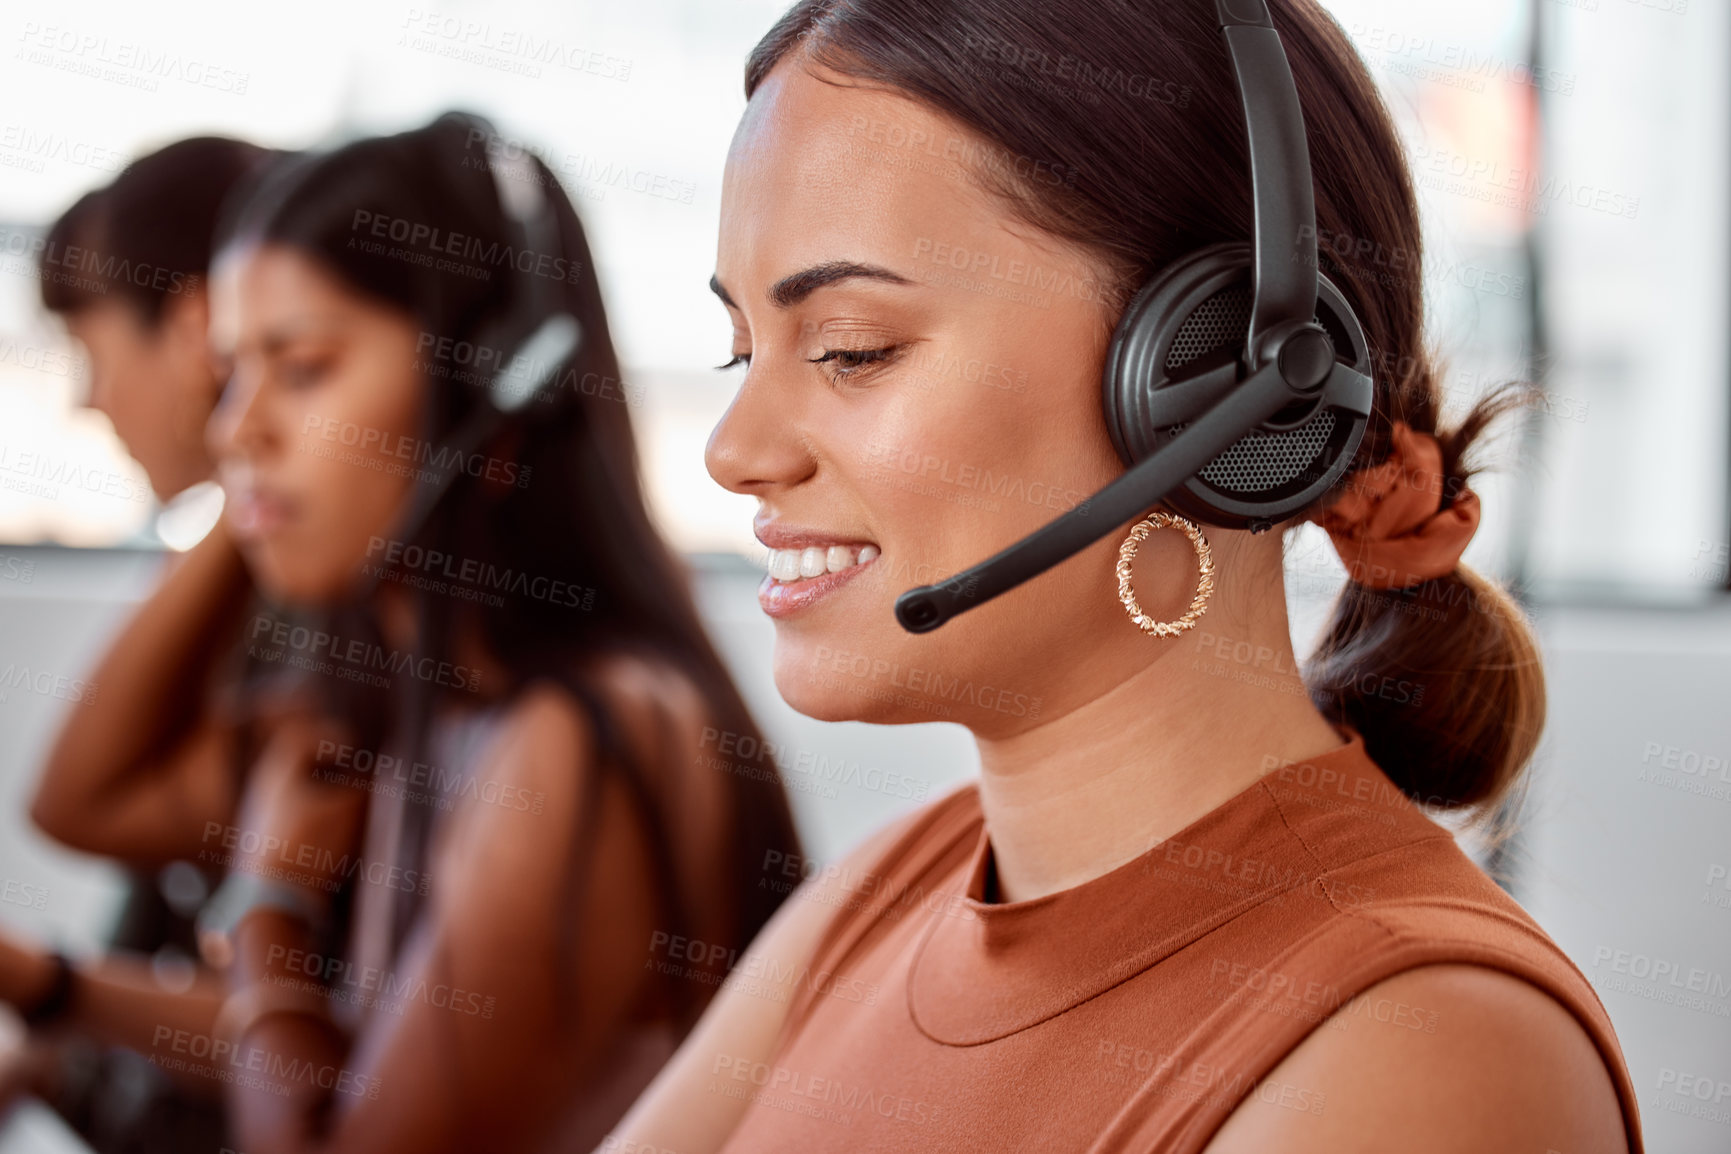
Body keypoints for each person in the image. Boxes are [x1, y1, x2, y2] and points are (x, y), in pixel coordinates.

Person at [606, 2, 1641, 1151]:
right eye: (742, 350)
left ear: (1224, 383)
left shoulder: (1433, 1052)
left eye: (852, 347)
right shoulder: (886, 891)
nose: (735, 451)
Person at [1, 111, 801, 1154]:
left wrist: (267, 908)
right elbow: (353, 1050)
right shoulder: (410, 702)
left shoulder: (577, 735)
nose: (233, 428)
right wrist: (39, 983)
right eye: (233, 372)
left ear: (485, 378)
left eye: (301, 367)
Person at [15, 136, 274, 1154]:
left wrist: (247, 485)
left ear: (197, 322)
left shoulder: (335, 629)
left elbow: (76, 800)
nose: (88, 397)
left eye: (94, 349)